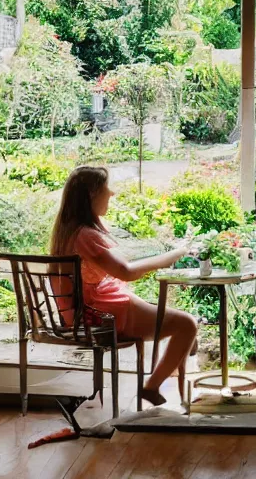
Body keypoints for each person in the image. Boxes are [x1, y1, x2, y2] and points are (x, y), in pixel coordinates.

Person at [49, 166, 197, 407]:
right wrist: (174, 255)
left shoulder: (69, 232)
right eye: (107, 189)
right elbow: (126, 272)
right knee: (186, 324)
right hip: (98, 316)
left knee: (177, 322)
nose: (112, 193)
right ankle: (151, 387)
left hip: (86, 310)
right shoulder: (86, 235)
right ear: (91, 195)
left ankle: (173, 369)